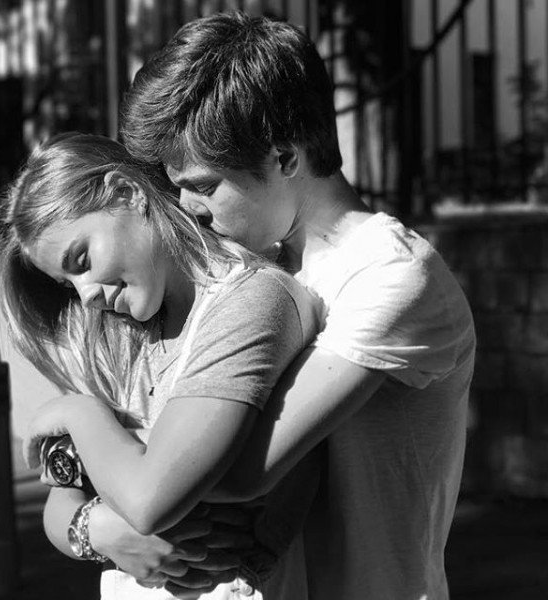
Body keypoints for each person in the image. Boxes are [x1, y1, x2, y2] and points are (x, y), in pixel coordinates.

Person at [111, 10, 475, 600]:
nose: (187, 208)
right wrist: (93, 521)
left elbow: (236, 471)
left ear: (285, 157)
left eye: (204, 185)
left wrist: (82, 424)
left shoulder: (390, 274)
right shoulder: (252, 265)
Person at [0, 131, 323, 599]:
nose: (86, 295)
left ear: (127, 192)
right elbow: (61, 501)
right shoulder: (120, 334)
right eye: (67, 284)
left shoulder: (253, 300)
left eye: (82, 259)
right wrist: (97, 529)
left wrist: (77, 413)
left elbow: (149, 500)